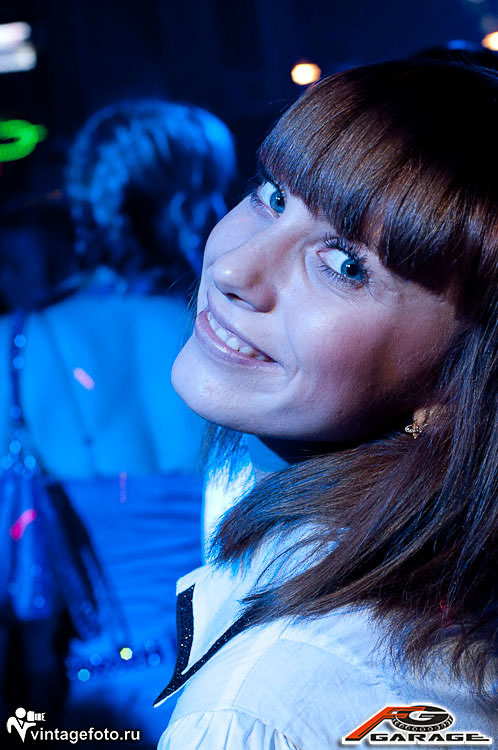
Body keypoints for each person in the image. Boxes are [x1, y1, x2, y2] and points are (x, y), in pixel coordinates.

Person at [155, 60, 498, 749]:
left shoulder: (260, 705)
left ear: (460, 383)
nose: (232, 269)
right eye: (272, 196)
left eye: (345, 264)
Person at [0, 99, 235, 745]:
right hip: (238, 688)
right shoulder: (234, 333)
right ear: (190, 201)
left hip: (104, 704)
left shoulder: (15, 347)